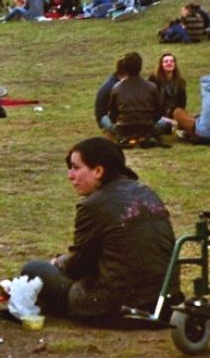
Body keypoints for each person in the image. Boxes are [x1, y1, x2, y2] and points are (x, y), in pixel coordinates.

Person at [19, 138, 175, 322]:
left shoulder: (94, 205)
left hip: (114, 303)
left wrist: (57, 262)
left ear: (98, 171)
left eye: (76, 168)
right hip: (162, 298)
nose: (70, 175)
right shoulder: (147, 192)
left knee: (33, 269)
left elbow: (78, 266)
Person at [104, 52, 168, 139]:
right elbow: (158, 112)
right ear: (140, 67)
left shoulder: (117, 87)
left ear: (124, 69)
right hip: (147, 129)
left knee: (104, 119)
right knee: (163, 123)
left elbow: (112, 114)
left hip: (123, 130)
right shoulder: (151, 87)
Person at [148, 53, 188, 125]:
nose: (169, 63)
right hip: (157, 116)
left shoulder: (180, 82)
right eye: (166, 61)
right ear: (161, 65)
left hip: (174, 115)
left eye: (172, 61)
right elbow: (150, 103)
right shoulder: (154, 80)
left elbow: (182, 104)